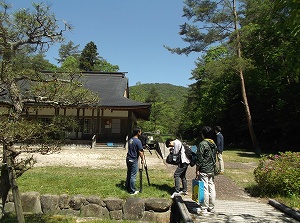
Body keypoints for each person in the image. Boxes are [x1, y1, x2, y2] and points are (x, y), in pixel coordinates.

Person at [194, 126, 217, 214]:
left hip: (204, 169)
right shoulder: (213, 143)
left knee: (204, 188)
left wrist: (197, 169)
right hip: (212, 169)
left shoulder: (202, 144)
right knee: (211, 187)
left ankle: (204, 207)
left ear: (203, 134)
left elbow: (199, 158)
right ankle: (211, 207)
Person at [126, 128, 144, 195]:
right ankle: (132, 191)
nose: (141, 133)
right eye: (140, 131)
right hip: (133, 159)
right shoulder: (138, 141)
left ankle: (128, 187)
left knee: (129, 173)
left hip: (128, 158)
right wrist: (142, 159)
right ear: (138, 132)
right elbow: (140, 151)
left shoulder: (130, 139)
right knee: (133, 175)